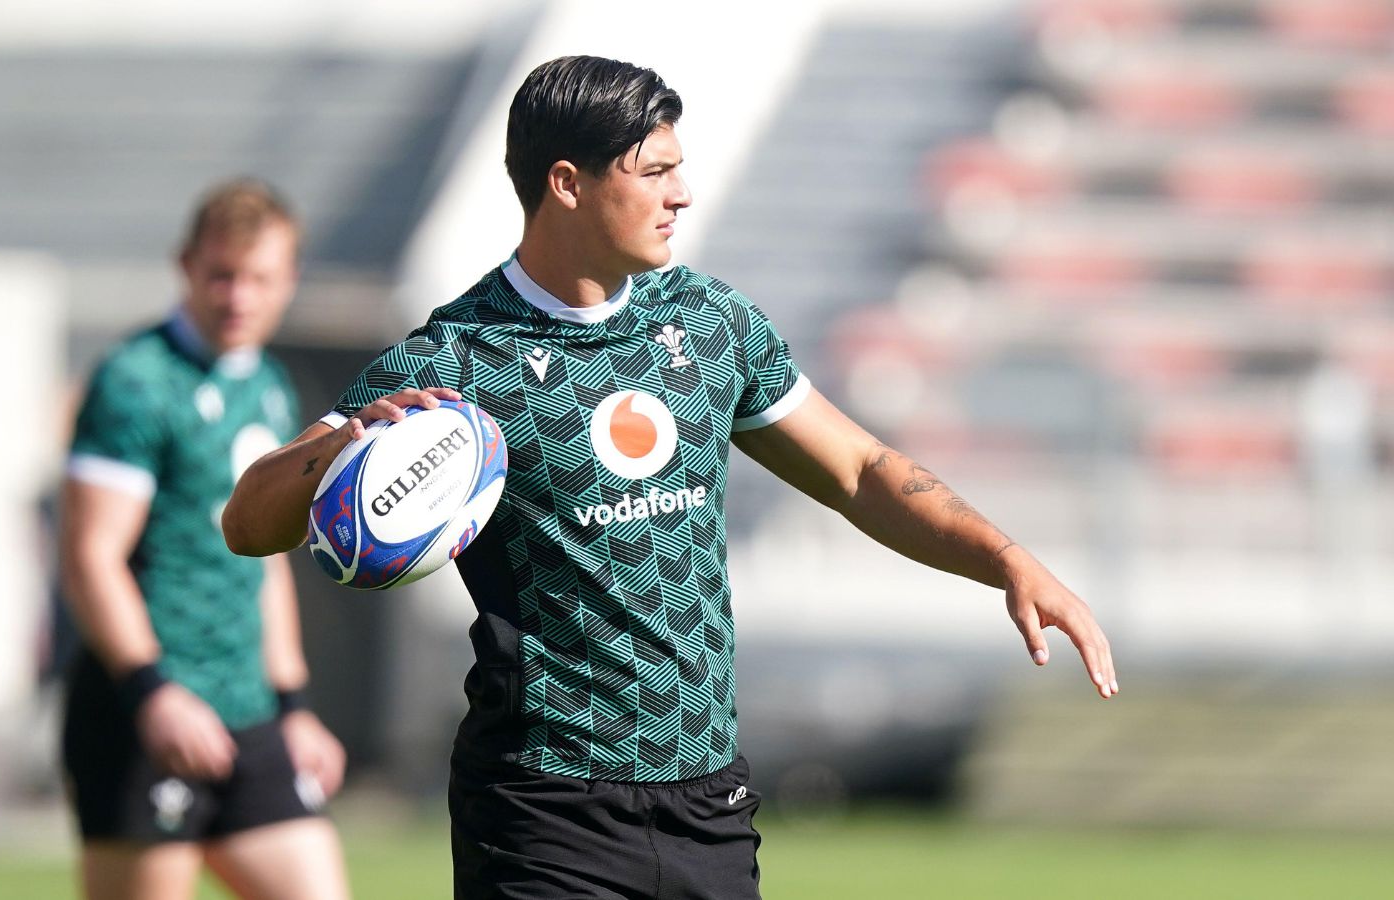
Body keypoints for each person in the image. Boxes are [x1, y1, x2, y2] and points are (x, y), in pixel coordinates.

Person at [223, 56, 1117, 899]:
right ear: (568, 183)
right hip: (543, 805)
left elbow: (860, 471)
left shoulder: (709, 322)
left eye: (679, 169)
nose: (681, 194)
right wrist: (332, 451)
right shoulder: (456, 361)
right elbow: (247, 522)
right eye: (653, 172)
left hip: (707, 799)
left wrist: (1006, 559)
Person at [60, 179, 352, 900]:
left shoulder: (273, 386)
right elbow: (90, 555)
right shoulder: (137, 380)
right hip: (146, 717)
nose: (238, 297)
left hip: (248, 712)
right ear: (185, 265)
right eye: (222, 275)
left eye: (259, 279)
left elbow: (268, 564)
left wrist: (294, 708)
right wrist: (152, 693)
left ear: (290, 281)